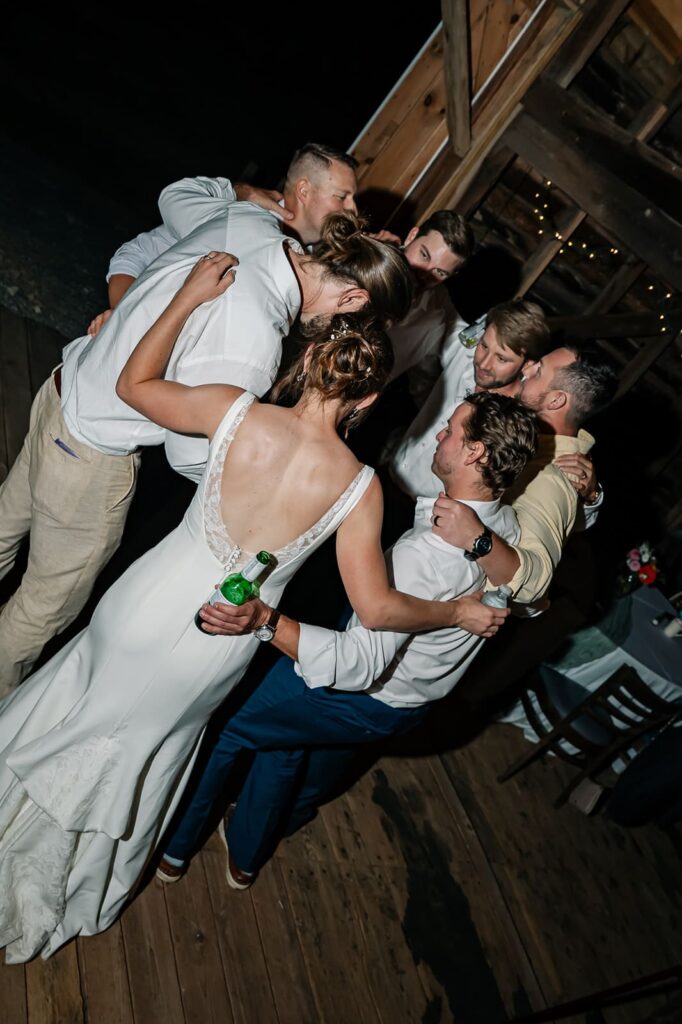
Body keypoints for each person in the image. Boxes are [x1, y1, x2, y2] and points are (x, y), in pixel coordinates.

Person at [0, 254, 472, 964]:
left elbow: (134, 384)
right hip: (216, 647)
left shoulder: (233, 409)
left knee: (73, 704)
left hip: (144, 604)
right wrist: (455, 615)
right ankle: (58, 880)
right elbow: (375, 608)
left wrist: (188, 296)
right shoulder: (361, 489)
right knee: (142, 751)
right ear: (370, 400)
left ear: (310, 357)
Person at [0, 211, 413, 693]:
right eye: (352, 324)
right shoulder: (256, 343)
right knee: (37, 615)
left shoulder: (254, 224)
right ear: (354, 297)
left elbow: (184, 202)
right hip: (91, 458)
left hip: (61, 391)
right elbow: (187, 456)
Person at [154, 391, 538, 889]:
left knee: (227, 726)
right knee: (282, 739)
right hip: (409, 701)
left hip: (366, 695)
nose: (440, 434)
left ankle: (172, 850)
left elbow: (357, 664)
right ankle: (246, 857)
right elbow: (523, 589)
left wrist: (264, 621)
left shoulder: (427, 558)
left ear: (475, 453)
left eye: (452, 430)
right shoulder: (500, 528)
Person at [88, 142, 359, 335]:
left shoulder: (310, 263)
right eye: (341, 197)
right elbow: (136, 255)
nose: (353, 209)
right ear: (304, 190)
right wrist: (125, 319)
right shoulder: (241, 216)